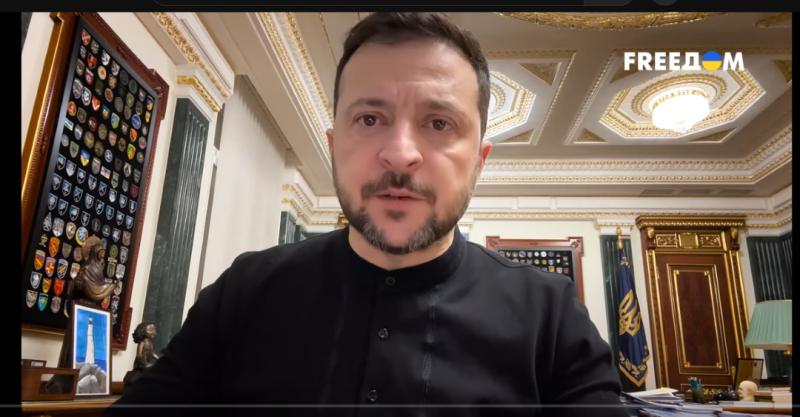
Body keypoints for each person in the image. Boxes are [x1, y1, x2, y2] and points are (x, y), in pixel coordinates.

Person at [107, 12, 627, 416]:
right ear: (334, 147)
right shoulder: (245, 291)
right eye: (370, 118)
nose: (400, 154)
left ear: (479, 161)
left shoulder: (551, 316)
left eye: (439, 123)